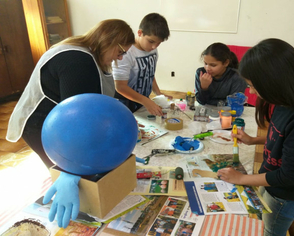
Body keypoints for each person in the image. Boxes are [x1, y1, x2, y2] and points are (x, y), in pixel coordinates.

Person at [6, 19, 135, 228]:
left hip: (63, 127)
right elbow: (79, 124)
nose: (119, 58)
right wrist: (69, 170)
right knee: (72, 181)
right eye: (120, 52)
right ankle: (74, 222)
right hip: (43, 127)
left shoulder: (89, 55)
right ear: (109, 40)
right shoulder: (78, 61)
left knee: (81, 178)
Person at [217, 38, 294, 236]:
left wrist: (242, 178)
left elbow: (288, 176)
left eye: (253, 85)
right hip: (273, 182)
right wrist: (254, 140)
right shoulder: (285, 101)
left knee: (271, 231)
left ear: (273, 82)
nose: (252, 91)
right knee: (264, 217)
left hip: (288, 194)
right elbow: (283, 138)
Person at [113, 13, 172, 116]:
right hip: (125, 103)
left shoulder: (152, 50)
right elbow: (120, 87)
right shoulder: (126, 53)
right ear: (140, 33)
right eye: (151, 41)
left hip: (142, 101)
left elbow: (149, 73)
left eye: (158, 43)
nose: (154, 46)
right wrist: (145, 100)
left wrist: (158, 93)